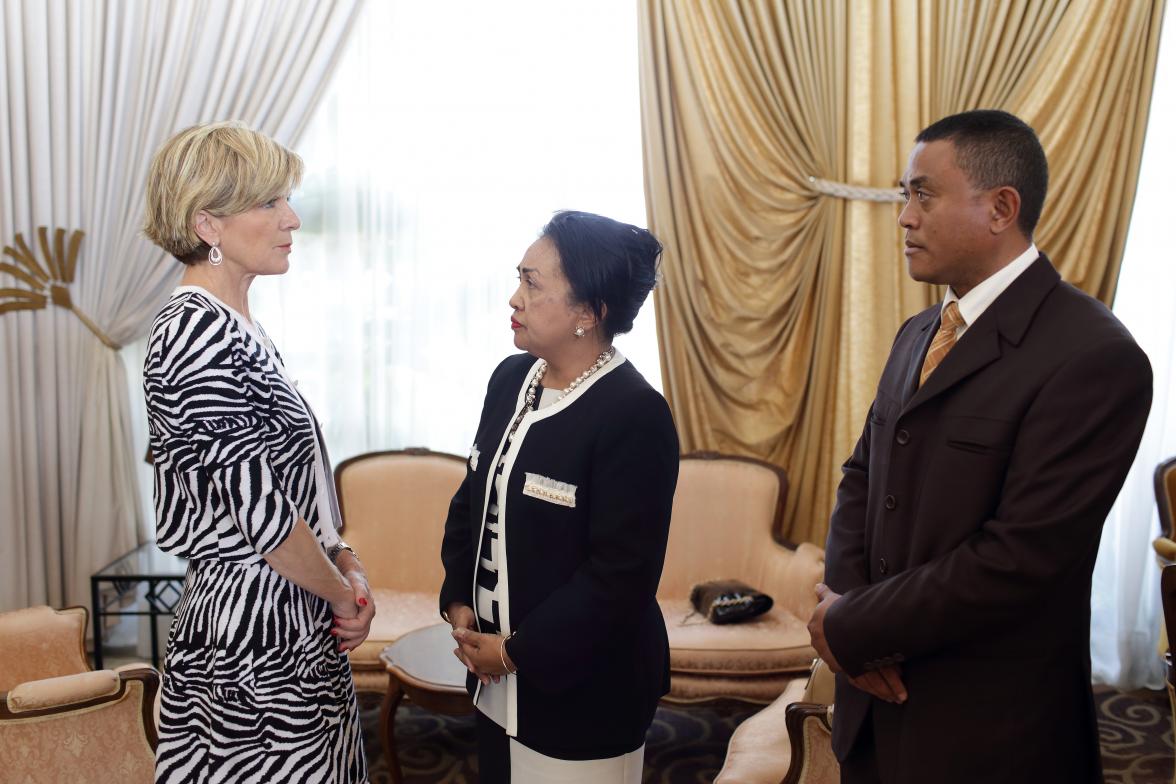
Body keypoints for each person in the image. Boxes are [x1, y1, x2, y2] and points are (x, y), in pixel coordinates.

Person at [808, 109, 1152, 784]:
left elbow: (1018, 559)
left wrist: (855, 628)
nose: (903, 216)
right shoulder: (918, 332)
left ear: (1000, 208)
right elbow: (862, 476)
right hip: (872, 705)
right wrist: (845, 619)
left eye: (922, 194)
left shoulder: (1094, 356)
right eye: (904, 194)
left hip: (986, 729)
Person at [142, 121, 373, 783]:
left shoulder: (234, 326)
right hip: (252, 637)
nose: (292, 218)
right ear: (207, 224)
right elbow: (263, 520)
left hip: (288, 615)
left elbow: (298, 494)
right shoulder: (194, 334)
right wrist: (341, 596)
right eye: (269, 202)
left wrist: (346, 564)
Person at [439, 210, 679, 783]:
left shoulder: (633, 414)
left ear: (588, 313)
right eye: (519, 277)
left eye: (532, 282)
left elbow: (620, 576)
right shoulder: (510, 378)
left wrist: (515, 652)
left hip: (584, 691)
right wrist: (458, 600)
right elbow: (472, 500)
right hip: (494, 680)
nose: (514, 298)